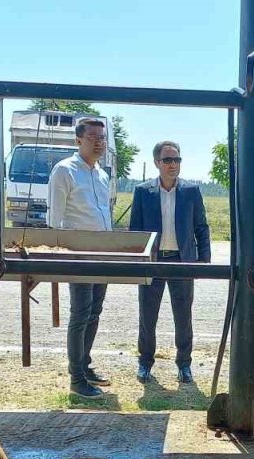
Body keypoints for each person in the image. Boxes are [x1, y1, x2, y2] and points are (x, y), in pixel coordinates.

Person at [128, 140, 211, 384]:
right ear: (157, 163)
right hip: (152, 262)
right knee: (147, 315)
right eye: (167, 160)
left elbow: (201, 226)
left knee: (183, 316)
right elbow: (136, 231)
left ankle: (184, 364)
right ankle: (145, 363)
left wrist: (203, 260)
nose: (173, 164)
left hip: (182, 261)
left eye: (177, 160)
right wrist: (135, 261)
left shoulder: (191, 191)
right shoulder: (143, 191)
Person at [48, 117, 114, 398]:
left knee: (94, 312)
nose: (99, 142)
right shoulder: (64, 171)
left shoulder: (101, 173)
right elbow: (55, 220)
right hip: (78, 254)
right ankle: (76, 379)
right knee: (80, 313)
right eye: (93, 137)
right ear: (78, 140)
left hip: (103, 254)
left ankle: (85, 366)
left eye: (102, 138)